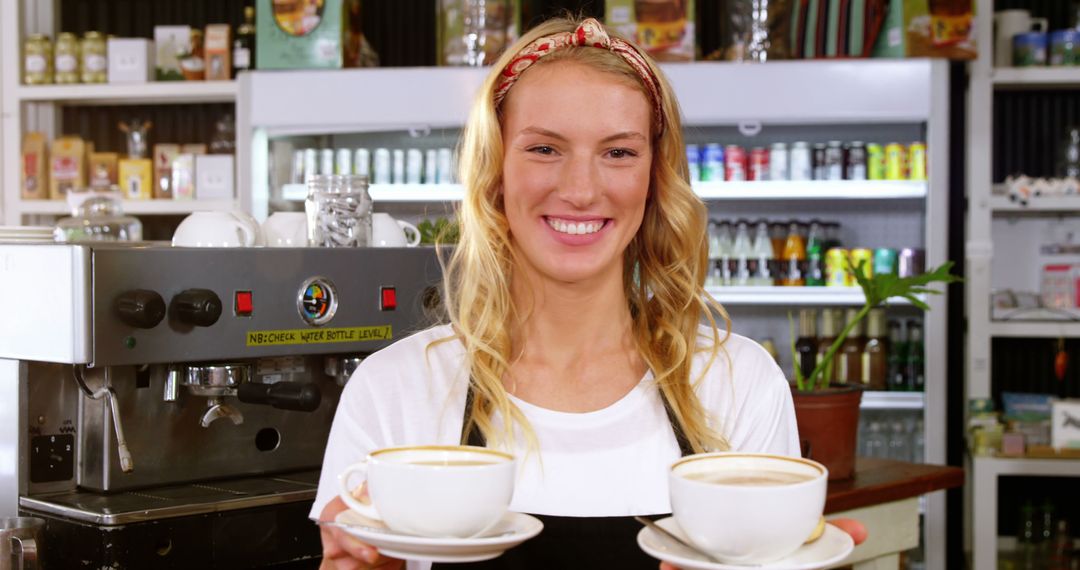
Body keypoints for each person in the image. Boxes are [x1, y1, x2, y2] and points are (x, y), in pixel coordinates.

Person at [314, 16, 865, 570]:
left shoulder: (737, 384)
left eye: (619, 153)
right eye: (545, 149)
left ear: (655, 179)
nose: (580, 190)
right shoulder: (394, 389)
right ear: (496, 170)